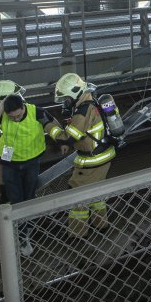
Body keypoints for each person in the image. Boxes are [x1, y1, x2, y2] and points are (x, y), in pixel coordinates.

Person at [0, 93, 62, 255]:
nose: (16, 119)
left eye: (18, 115)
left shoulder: (36, 112)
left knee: (29, 197)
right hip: (10, 164)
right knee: (16, 199)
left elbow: (55, 125)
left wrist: (61, 141)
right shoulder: (2, 114)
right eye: (11, 117)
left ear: (23, 107)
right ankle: (20, 235)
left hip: (31, 163)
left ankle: (25, 232)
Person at [52, 73, 118, 237]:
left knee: (76, 194)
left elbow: (69, 137)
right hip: (103, 154)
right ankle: (100, 225)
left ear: (75, 93)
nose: (66, 101)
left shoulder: (82, 110)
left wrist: (49, 125)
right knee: (95, 192)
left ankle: (78, 233)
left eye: (67, 98)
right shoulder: (92, 100)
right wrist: (69, 116)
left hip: (92, 160)